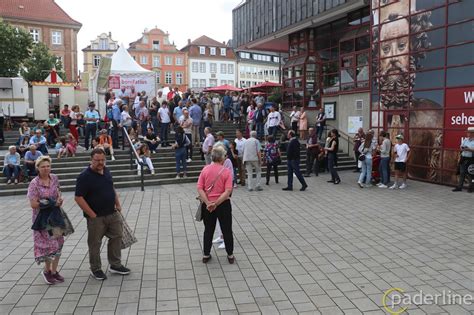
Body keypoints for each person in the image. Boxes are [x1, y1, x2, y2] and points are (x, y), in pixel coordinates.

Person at [75, 148, 130, 280]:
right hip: (96, 217)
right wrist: (92, 214)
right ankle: (95, 269)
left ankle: (115, 265)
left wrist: (117, 203)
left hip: (112, 213)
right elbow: (78, 198)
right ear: (91, 160)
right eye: (97, 160)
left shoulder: (106, 170)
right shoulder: (84, 176)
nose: (100, 163)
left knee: (117, 236)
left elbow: (111, 187)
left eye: (102, 160)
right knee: (95, 243)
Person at [27, 156, 65, 284]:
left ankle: (54, 271)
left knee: (59, 243)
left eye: (48, 166)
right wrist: (50, 203)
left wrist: (59, 200)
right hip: (42, 219)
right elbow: (33, 204)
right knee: (50, 245)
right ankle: (46, 271)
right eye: (43, 166)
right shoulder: (34, 183)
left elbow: (58, 193)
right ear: (37, 168)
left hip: (55, 216)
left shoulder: (54, 178)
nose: (46, 168)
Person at [197, 145, 235, 264]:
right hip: (223, 204)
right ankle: (230, 255)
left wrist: (208, 202)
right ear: (221, 158)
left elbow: (199, 188)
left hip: (207, 205)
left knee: (208, 230)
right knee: (227, 229)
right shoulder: (226, 171)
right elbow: (228, 190)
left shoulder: (205, 169)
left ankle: (206, 254)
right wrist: (216, 203)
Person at [453, 127, 474, 193]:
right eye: (467, 132)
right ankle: (459, 187)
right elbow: (461, 146)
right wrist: (462, 148)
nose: (467, 133)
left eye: (469, 132)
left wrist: (468, 149)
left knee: (471, 174)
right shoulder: (465, 140)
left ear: (472, 133)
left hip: (471, 159)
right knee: (462, 173)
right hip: (464, 158)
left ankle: (471, 187)